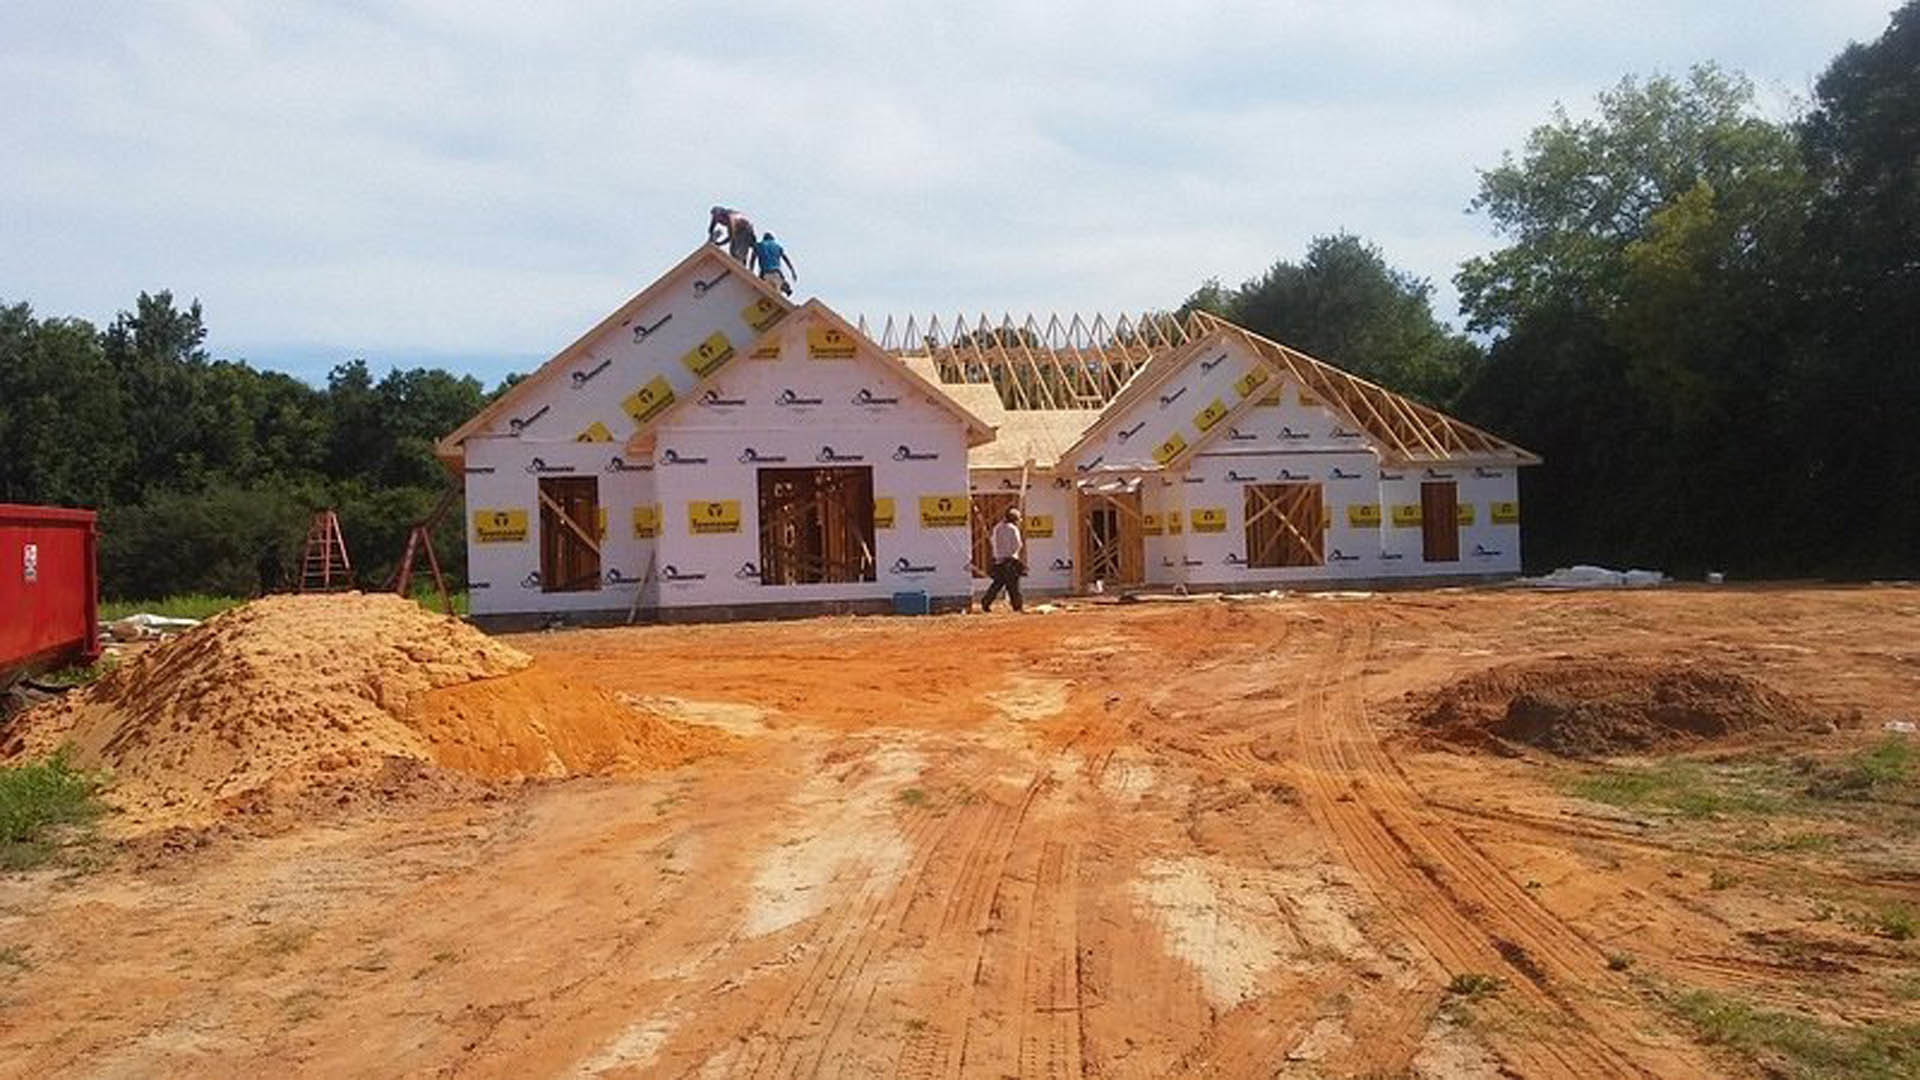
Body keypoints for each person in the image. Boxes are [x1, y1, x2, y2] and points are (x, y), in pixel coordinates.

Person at [980, 507, 1025, 613]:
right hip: (1010, 561)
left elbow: (993, 542)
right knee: (1013, 586)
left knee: (997, 584)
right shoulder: (1013, 529)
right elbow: (1017, 545)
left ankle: (985, 603)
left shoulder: (997, 528)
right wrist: (1013, 555)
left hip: (999, 561)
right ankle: (1017, 606)